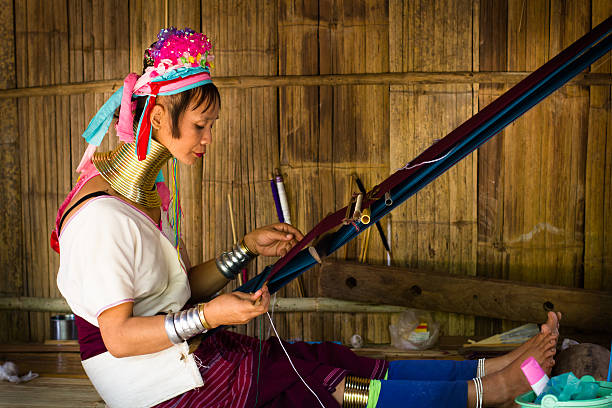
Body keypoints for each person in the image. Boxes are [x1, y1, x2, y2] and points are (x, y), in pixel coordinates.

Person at [53, 27, 560, 408]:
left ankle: (486, 368)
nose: (208, 139)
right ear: (159, 117)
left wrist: (246, 248)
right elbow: (118, 337)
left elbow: (175, 290)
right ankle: (487, 393)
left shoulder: (139, 198)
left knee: (329, 357)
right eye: (201, 125)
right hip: (159, 390)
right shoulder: (101, 220)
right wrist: (214, 316)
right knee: (331, 387)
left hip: (180, 361)